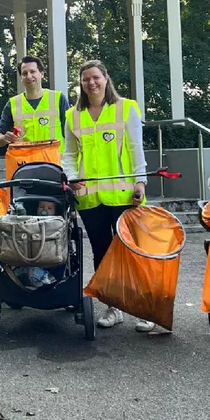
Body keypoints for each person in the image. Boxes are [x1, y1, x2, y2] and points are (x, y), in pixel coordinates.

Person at [61, 60, 155, 332]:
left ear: (105, 78)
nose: (91, 83)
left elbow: (136, 148)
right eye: (85, 79)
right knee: (102, 253)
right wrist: (71, 177)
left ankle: (144, 309)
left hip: (125, 196)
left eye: (95, 78)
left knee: (133, 252)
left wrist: (141, 181)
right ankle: (113, 308)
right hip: (90, 198)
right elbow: (69, 154)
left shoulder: (126, 108)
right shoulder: (73, 115)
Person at [0, 56, 69, 150]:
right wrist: (4, 138)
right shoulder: (13, 103)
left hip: (53, 162)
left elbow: (70, 134)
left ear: (42, 74)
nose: (28, 76)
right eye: (24, 73)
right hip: (25, 163)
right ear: (21, 78)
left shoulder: (58, 99)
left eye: (32, 71)